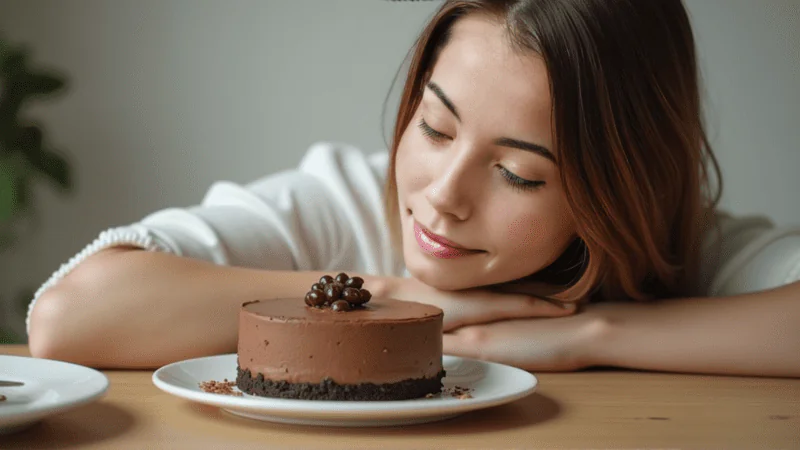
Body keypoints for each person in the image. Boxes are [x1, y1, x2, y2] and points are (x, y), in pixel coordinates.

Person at [27, 0, 800, 376]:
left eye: (518, 173)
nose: (442, 196)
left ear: (619, 186)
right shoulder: (338, 201)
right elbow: (69, 320)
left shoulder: (679, 245)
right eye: (434, 128)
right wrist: (378, 296)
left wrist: (588, 336)